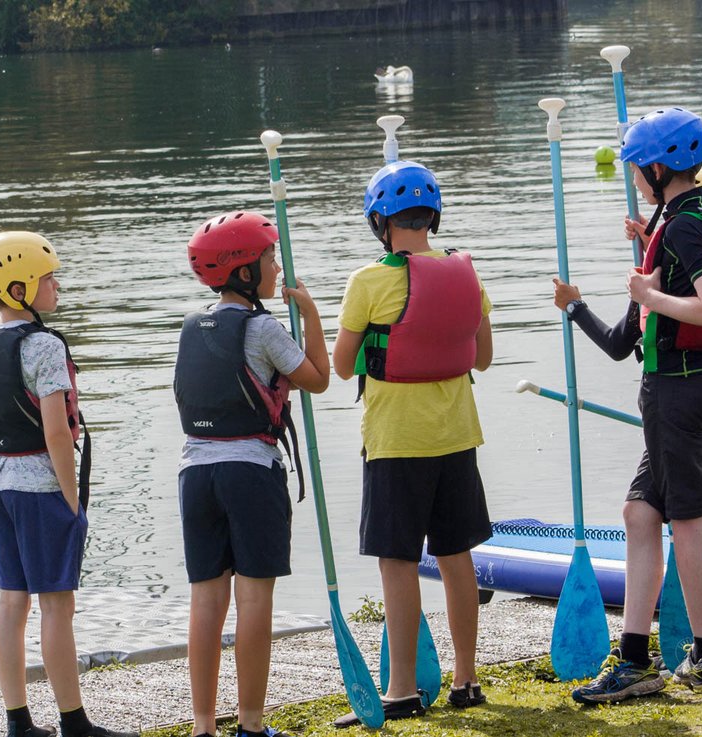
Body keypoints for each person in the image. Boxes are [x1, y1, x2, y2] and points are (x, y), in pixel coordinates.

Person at [560, 111, 702, 701]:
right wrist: (651, 253)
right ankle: (637, 655)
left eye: (639, 166)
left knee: (688, 522)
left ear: (658, 166)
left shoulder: (687, 226)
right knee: (641, 513)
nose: (636, 176)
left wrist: (648, 293)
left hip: (680, 393)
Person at [331, 161, 494, 726]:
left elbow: (343, 367)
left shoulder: (368, 281)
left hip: (396, 443)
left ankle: (401, 690)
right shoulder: (467, 274)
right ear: (434, 216)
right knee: (456, 558)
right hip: (456, 437)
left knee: (397, 564)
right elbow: (483, 357)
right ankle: (467, 679)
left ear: (379, 221)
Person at [0, 231, 134, 737]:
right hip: (41, 486)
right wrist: (70, 498)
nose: (56, 285)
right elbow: (58, 432)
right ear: (19, 289)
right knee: (58, 604)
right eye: (47, 278)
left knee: (12, 599)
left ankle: (17, 720)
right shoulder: (43, 346)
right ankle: (72, 721)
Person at [173, 211, 330, 737]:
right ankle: (251, 725)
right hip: (250, 472)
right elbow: (317, 379)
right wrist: (308, 312)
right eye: (268, 257)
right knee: (254, 599)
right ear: (243, 271)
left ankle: (201, 727)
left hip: (195, 475)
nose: (276, 264)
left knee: (206, 599)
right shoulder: (262, 327)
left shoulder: (192, 327)